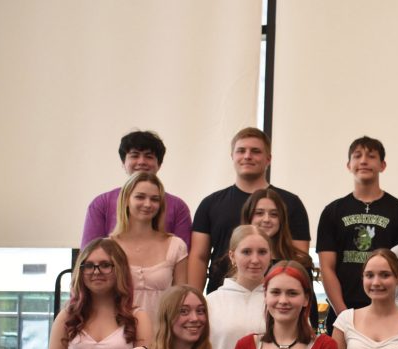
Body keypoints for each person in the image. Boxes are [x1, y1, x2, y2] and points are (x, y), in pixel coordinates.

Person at [190, 127, 310, 293]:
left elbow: (299, 259)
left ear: (268, 159)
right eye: (241, 151)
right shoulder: (210, 204)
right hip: (223, 295)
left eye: (255, 151)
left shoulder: (291, 203)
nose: (247, 156)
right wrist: (195, 299)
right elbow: (199, 257)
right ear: (232, 156)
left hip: (277, 298)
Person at [316, 135, 398, 331]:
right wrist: (343, 315)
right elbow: (327, 268)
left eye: (371, 156)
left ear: (382, 165)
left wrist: (394, 311)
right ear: (348, 165)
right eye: (357, 156)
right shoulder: (332, 211)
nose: (363, 161)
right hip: (343, 310)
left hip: (388, 312)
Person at [81, 130, 193, 248]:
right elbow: (89, 253)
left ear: (159, 164)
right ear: (123, 162)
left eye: (149, 156)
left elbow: (183, 253)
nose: (141, 162)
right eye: (134, 156)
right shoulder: (101, 204)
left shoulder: (178, 207)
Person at [111, 171, 188, 322]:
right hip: (120, 331)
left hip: (162, 332)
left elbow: (181, 300)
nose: (147, 204)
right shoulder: (109, 247)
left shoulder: (176, 246)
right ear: (126, 200)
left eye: (154, 199)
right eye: (140, 197)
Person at [241, 189, 320, 330]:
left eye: (274, 214)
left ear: (281, 219)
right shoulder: (238, 260)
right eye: (259, 213)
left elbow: (309, 310)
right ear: (249, 217)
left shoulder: (299, 262)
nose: (266, 219)